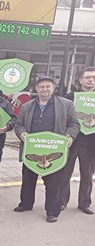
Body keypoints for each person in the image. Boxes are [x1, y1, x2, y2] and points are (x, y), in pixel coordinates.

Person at [14, 76, 80, 223]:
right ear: (36, 89)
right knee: (28, 179)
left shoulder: (66, 104)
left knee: (53, 183)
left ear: (53, 88)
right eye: (41, 87)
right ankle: (26, 204)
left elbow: (74, 124)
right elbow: (19, 124)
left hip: (53, 151)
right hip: (32, 150)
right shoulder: (26, 106)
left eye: (47, 87)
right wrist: (22, 133)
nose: (44, 89)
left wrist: (69, 136)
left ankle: (52, 211)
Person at [61, 67, 95, 215]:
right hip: (72, 140)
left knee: (87, 175)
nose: (91, 80)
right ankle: (61, 201)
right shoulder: (70, 97)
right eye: (88, 77)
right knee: (64, 173)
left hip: (91, 142)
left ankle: (84, 203)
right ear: (80, 80)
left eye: (93, 77)